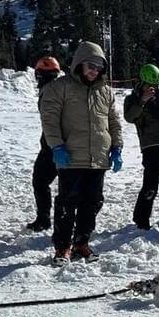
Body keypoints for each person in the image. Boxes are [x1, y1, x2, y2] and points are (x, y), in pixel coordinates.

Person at [41, 42, 123, 263]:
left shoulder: (105, 91)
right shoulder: (60, 87)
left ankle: (81, 243)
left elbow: (114, 122)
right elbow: (49, 120)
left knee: (92, 202)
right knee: (67, 203)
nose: (94, 71)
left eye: (98, 67)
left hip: (98, 158)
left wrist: (117, 147)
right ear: (79, 64)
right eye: (90, 66)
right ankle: (62, 247)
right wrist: (57, 146)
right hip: (71, 157)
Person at [125, 64, 159, 230]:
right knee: (151, 184)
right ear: (141, 83)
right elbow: (129, 117)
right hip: (150, 145)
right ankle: (141, 218)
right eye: (149, 85)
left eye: (155, 85)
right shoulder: (133, 98)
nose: (152, 89)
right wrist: (143, 100)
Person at [25, 56, 62, 231]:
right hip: (57, 142)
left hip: (52, 144)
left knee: (40, 181)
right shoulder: (59, 88)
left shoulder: (48, 91)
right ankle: (55, 220)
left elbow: (52, 121)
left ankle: (44, 219)